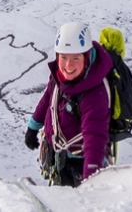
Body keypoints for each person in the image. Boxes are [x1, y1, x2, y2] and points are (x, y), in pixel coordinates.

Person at [24, 21, 114, 186]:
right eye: (63, 57)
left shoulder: (94, 93)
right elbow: (48, 99)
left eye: (75, 59)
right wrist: (33, 126)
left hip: (80, 162)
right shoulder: (58, 77)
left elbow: (95, 139)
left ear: (86, 57)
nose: (68, 65)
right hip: (59, 156)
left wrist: (90, 181)